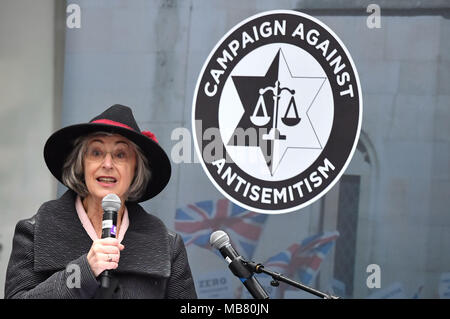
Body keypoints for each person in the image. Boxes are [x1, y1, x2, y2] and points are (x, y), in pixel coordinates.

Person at [4, 104, 197, 299]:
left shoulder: (167, 245)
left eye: (120, 155)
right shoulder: (35, 231)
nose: (107, 164)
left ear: (136, 169)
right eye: (96, 152)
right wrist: (83, 271)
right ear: (81, 163)